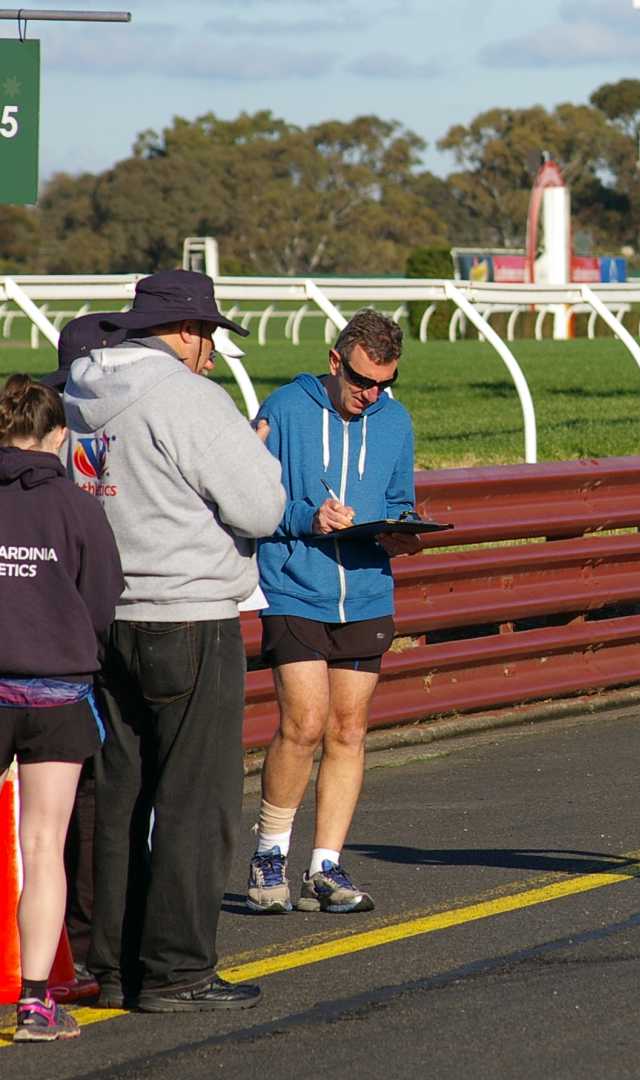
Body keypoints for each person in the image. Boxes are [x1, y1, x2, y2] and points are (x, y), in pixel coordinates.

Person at [63, 269, 287, 1013]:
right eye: (211, 338)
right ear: (186, 332)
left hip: (104, 616)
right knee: (197, 801)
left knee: (117, 798)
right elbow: (259, 507)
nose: (213, 355)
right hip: (187, 613)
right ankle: (180, 971)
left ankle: (117, 966)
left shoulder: (81, 391)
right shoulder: (188, 399)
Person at [246, 310, 419, 916]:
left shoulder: (395, 422)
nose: (372, 395)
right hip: (293, 586)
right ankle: (270, 853)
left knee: (348, 729)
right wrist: (306, 517)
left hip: (367, 592)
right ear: (335, 361)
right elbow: (249, 497)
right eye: (363, 381)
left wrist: (401, 531)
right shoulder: (285, 410)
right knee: (305, 722)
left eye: (384, 384)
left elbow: (400, 500)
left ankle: (325, 866)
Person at [0, 375, 123, 1041]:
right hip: (56, 692)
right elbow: (102, 599)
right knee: (44, 845)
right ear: (58, 437)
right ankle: (37, 1004)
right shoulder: (78, 508)